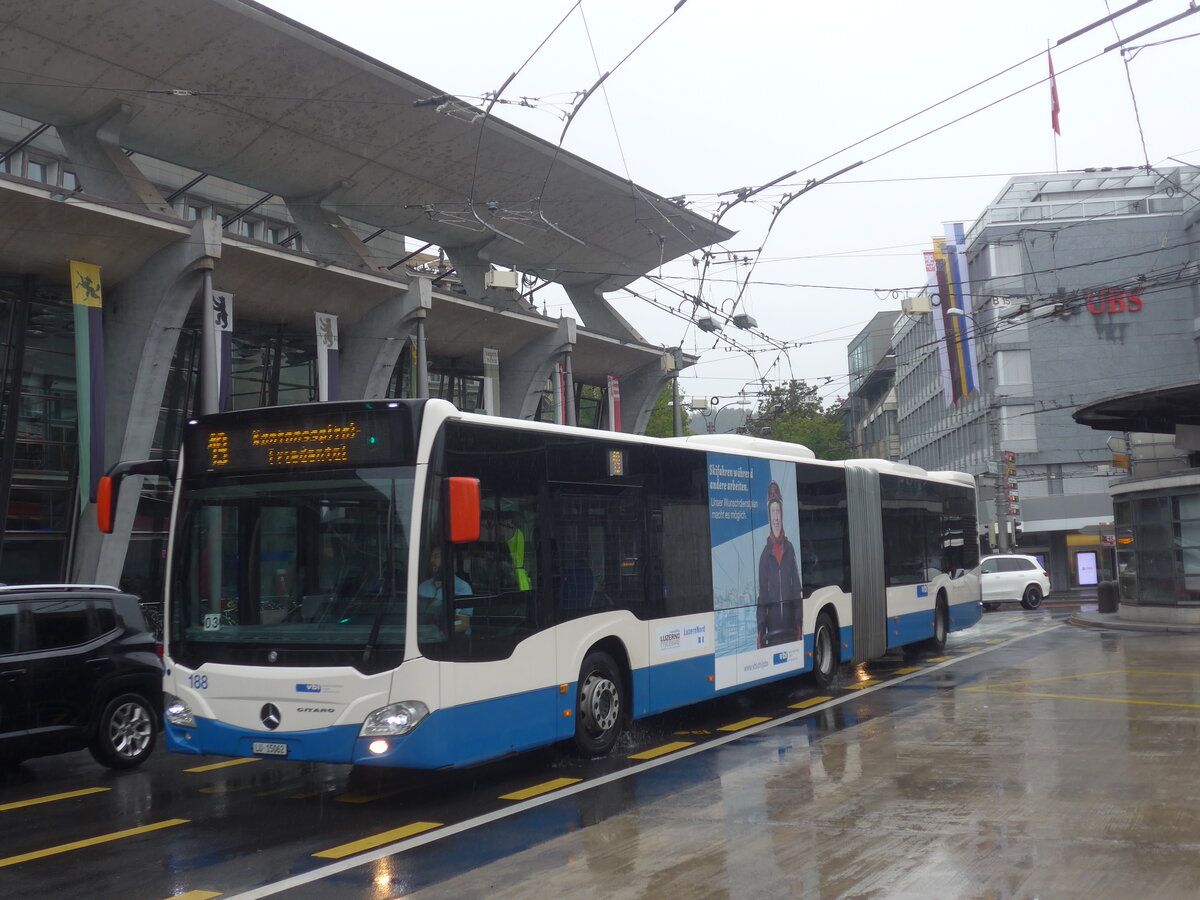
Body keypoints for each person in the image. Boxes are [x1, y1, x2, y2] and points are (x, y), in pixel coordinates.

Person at [757, 480, 802, 648]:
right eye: (772, 512)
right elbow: (762, 597)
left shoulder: (790, 549)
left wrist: (799, 626)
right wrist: (761, 632)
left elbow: (797, 589)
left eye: (778, 511)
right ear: (769, 517)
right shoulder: (764, 556)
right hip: (773, 631)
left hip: (791, 629)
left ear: (782, 515)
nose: (776, 517)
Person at [418, 546, 472, 633]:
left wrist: (441, 628)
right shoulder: (423, 587)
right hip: (424, 637)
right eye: (431, 558)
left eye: (436, 557)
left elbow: (463, 624)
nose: (432, 561)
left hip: (454, 639)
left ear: (448, 561)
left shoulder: (462, 587)